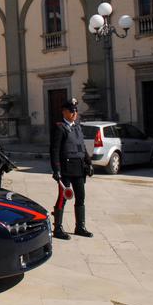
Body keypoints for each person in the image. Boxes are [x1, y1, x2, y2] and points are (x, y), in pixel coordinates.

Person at [49, 97, 94, 240]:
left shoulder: (77, 126)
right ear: (64, 112)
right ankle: (58, 228)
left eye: (75, 110)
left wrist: (89, 162)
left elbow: (82, 147)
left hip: (79, 168)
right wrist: (56, 170)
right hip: (66, 169)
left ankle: (80, 226)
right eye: (71, 110)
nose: (74, 113)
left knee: (80, 196)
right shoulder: (59, 127)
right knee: (63, 197)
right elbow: (54, 150)